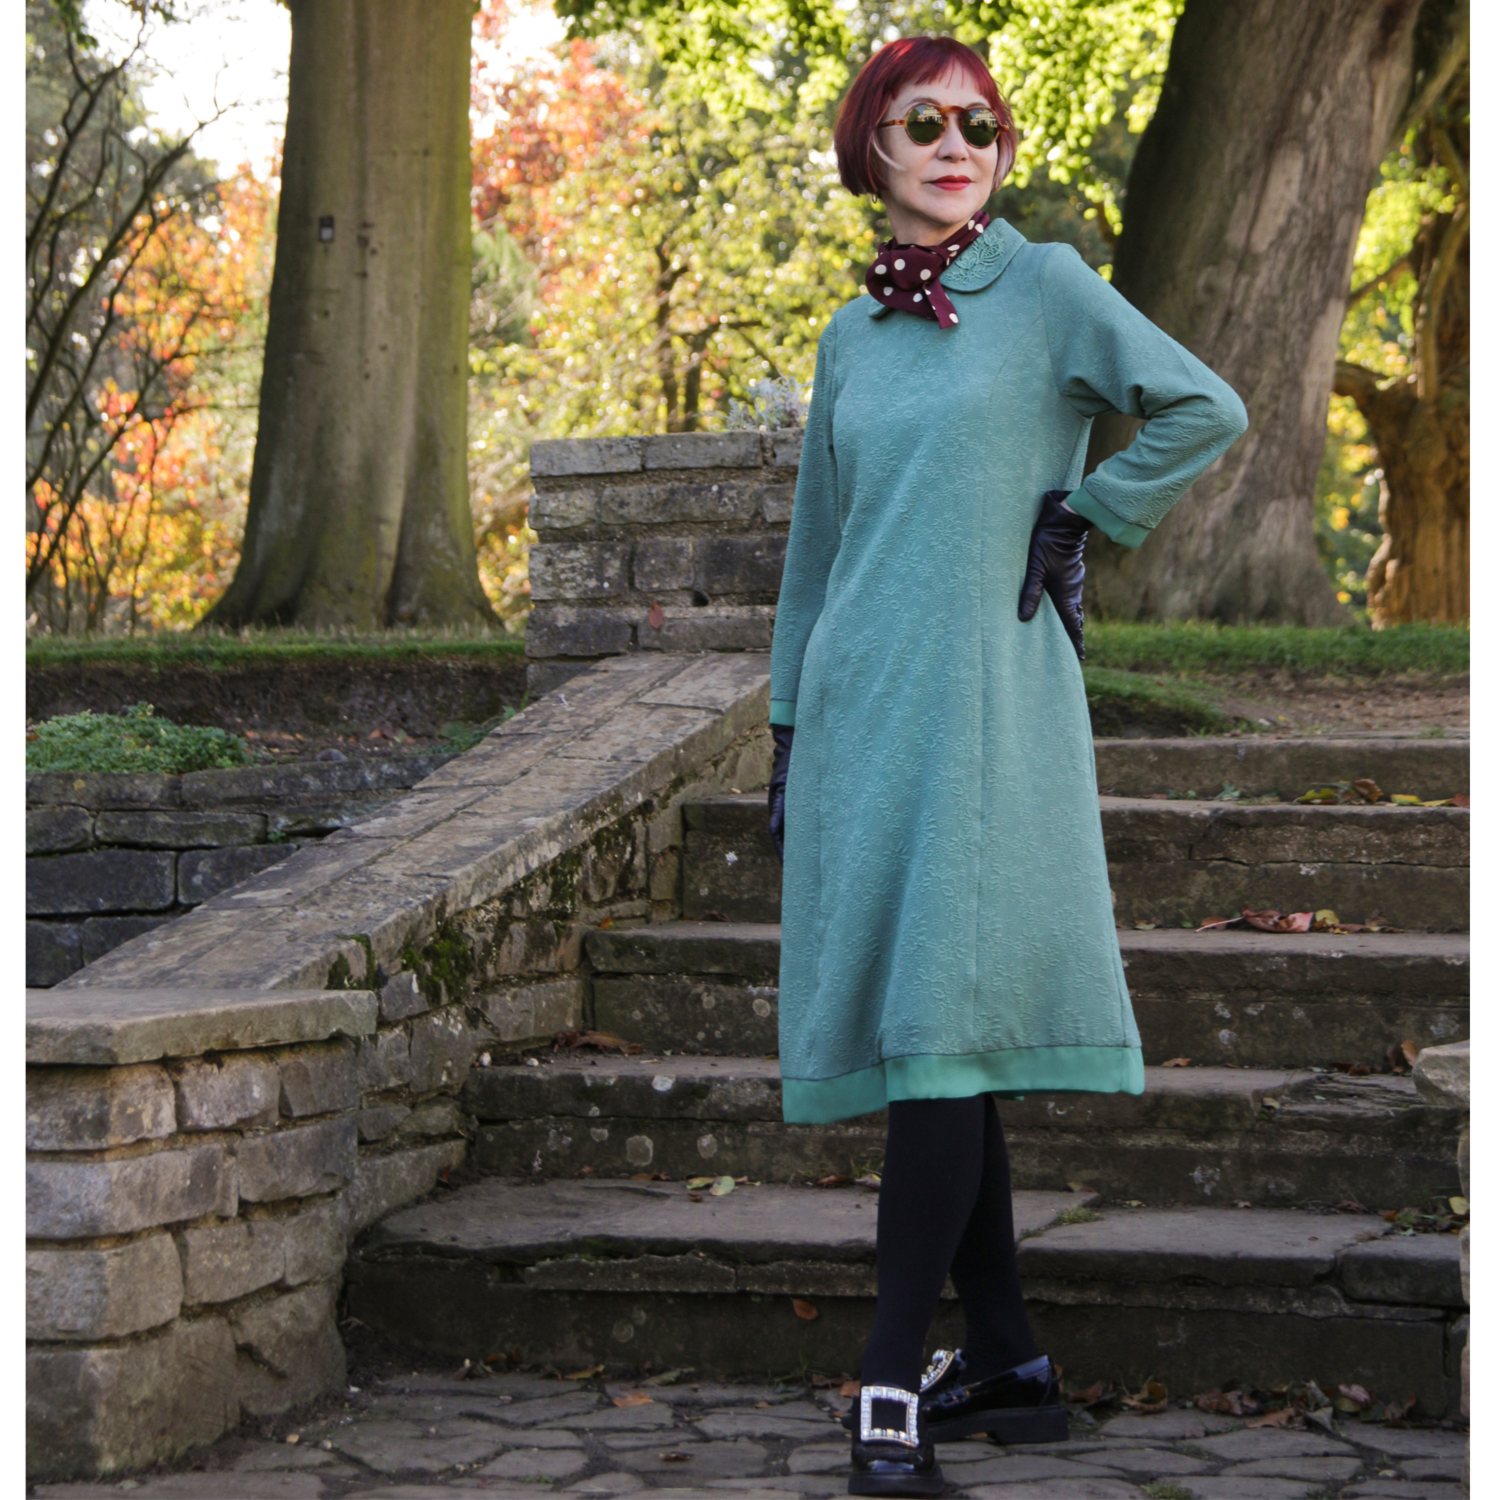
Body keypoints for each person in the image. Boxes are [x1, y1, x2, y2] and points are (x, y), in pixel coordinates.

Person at [763, 34, 1249, 1499]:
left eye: (980, 124)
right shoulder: (851, 336)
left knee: (940, 1021)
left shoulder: (1045, 289)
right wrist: (787, 723)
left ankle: (888, 1381)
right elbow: (816, 552)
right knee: (942, 1035)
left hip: (985, 707)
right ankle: (1010, 1362)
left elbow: (1204, 407)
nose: (958, 146)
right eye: (926, 123)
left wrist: (1088, 510)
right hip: (863, 712)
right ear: (873, 146)